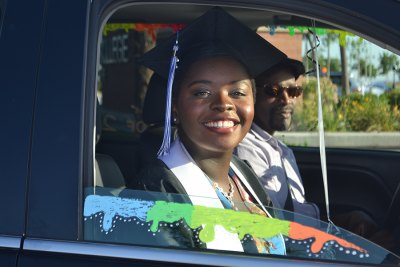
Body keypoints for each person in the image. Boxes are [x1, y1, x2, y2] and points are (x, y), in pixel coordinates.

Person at [128, 7, 288, 254]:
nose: (224, 104)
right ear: (175, 107)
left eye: (237, 93)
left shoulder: (243, 174)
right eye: (202, 92)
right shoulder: (156, 194)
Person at [234, 58, 320, 220]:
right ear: (253, 95)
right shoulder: (247, 148)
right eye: (274, 91)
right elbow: (276, 217)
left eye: (293, 91)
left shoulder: (281, 149)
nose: (286, 100)